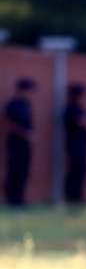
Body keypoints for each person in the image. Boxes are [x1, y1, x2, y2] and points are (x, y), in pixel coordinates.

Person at [4, 78, 36, 206]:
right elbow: (9, 124)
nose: (30, 93)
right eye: (28, 90)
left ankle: (20, 199)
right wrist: (25, 134)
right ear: (21, 89)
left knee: (23, 171)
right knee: (14, 171)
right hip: (15, 143)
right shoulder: (13, 104)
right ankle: (12, 200)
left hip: (25, 144)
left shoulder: (27, 105)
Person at [63, 83, 86, 205]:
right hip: (75, 145)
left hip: (81, 145)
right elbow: (82, 123)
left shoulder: (80, 108)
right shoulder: (72, 108)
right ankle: (72, 197)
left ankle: (77, 196)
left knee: (80, 170)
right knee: (75, 171)